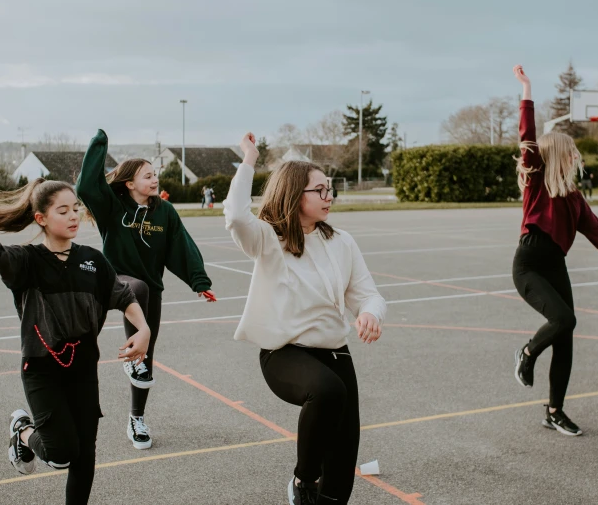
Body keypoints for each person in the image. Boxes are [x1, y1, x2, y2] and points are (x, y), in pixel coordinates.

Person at [224, 133, 386, 505]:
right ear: (296, 195)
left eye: (331, 190)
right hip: (284, 354)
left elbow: (369, 295)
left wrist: (369, 313)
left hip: (335, 353)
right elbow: (235, 215)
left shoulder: (341, 241)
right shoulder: (267, 239)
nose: (329, 197)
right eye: (321, 191)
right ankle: (303, 480)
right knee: (328, 391)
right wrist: (249, 158)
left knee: (344, 460)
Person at [0, 178, 150, 504]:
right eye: (62, 210)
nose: (73, 216)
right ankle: (23, 430)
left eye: (76, 209)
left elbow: (123, 295)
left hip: (82, 369)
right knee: (61, 454)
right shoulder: (27, 262)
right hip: (42, 369)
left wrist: (143, 329)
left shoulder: (92, 260)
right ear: (41, 218)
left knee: (84, 457)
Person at [511, 65, 598, 436]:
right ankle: (526, 354)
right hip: (529, 264)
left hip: (556, 264)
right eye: (572, 152)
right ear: (558, 154)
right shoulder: (537, 180)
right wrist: (527, 89)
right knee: (564, 319)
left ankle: (554, 411)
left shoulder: (574, 199)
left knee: (566, 337)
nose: (577, 157)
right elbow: (527, 136)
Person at [77, 130, 216, 451]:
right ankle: (125, 362)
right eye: (147, 175)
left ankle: (136, 418)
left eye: (156, 175)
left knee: (146, 353)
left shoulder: (164, 213)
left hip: (150, 288)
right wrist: (99, 144)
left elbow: (181, 246)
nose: (155, 180)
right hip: (113, 280)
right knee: (134, 288)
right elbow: (86, 186)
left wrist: (200, 282)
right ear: (129, 183)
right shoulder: (112, 206)